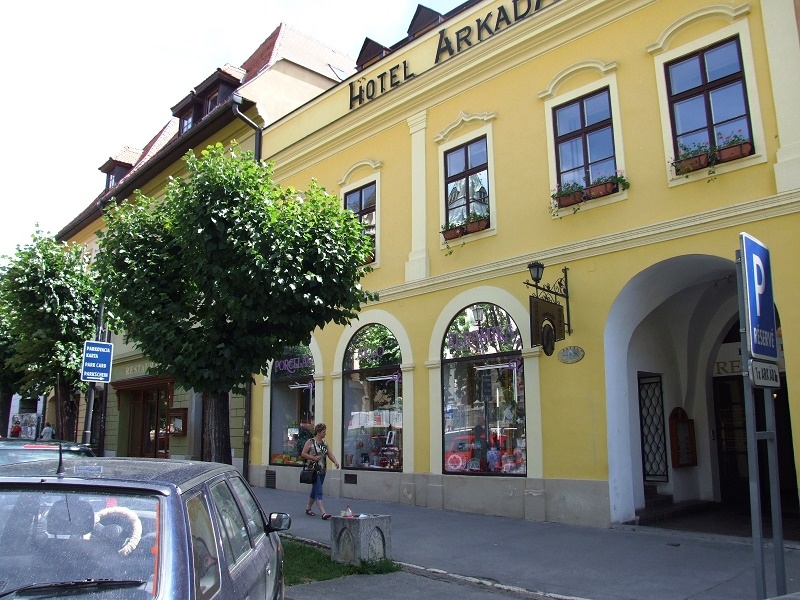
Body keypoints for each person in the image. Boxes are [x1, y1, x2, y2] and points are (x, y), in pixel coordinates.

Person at [301, 423, 340, 520]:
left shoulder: (324, 443)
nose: (325, 433)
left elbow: (329, 454)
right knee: (319, 490)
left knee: (315, 490)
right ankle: (323, 513)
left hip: (322, 470)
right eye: (323, 432)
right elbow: (303, 453)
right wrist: (314, 458)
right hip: (313, 470)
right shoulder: (310, 442)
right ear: (318, 432)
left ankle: (308, 508)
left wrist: (335, 462)